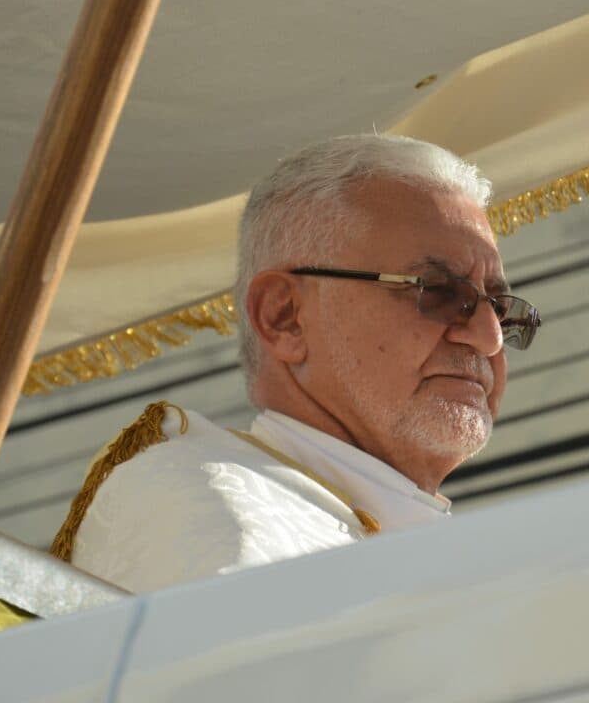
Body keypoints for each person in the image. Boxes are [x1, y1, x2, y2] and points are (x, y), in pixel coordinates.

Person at [52, 134, 541, 592]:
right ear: (283, 317)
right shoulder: (202, 506)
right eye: (437, 291)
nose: (489, 337)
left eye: (499, 306)